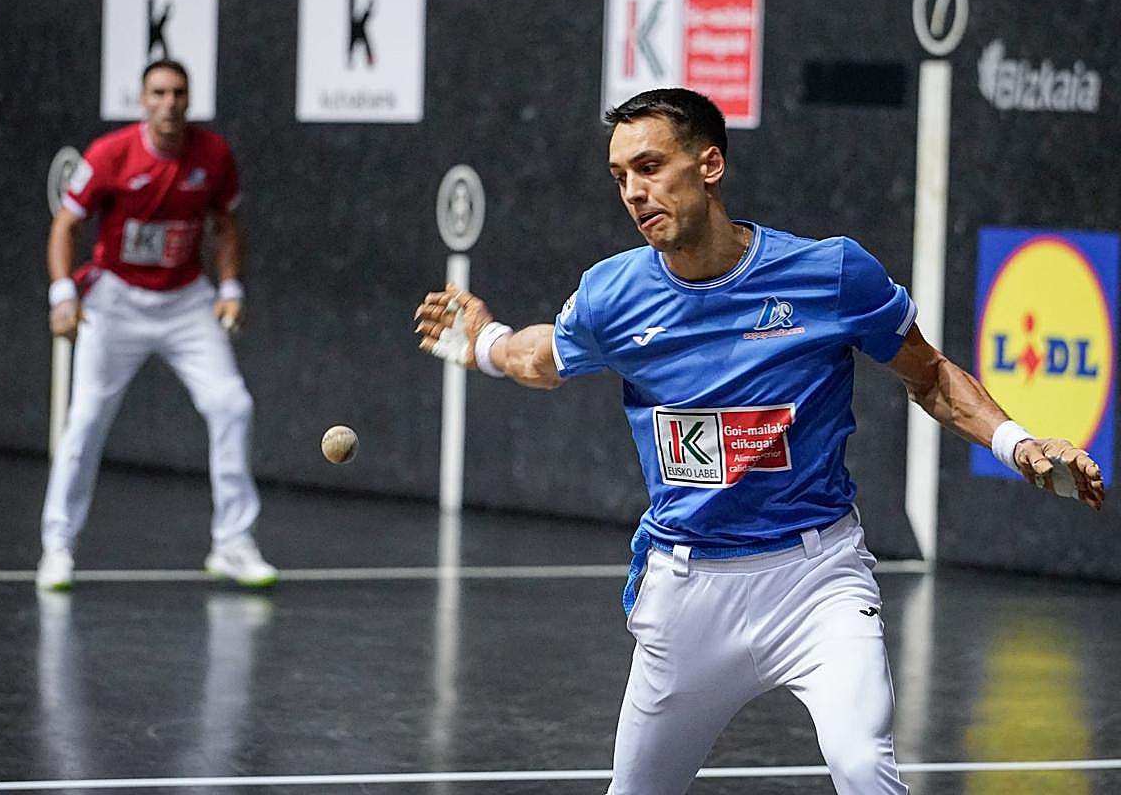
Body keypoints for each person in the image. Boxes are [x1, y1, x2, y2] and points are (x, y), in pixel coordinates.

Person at [413, 88, 1105, 794]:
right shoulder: (611, 296)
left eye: (650, 167)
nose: (633, 191)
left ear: (709, 164)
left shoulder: (830, 274)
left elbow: (928, 375)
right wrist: (486, 340)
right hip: (686, 591)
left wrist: (1016, 444)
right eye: (620, 176)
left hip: (817, 580)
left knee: (865, 765)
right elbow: (543, 359)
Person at [36, 59, 276, 591]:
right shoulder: (110, 155)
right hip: (115, 300)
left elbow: (226, 224)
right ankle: (58, 546)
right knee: (86, 421)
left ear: (189, 100)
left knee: (232, 404)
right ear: (143, 100)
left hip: (186, 300)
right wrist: (62, 293)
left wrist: (231, 287)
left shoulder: (213, 156)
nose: (169, 102)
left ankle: (233, 543)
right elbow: (66, 225)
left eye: (178, 93)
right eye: (158, 93)